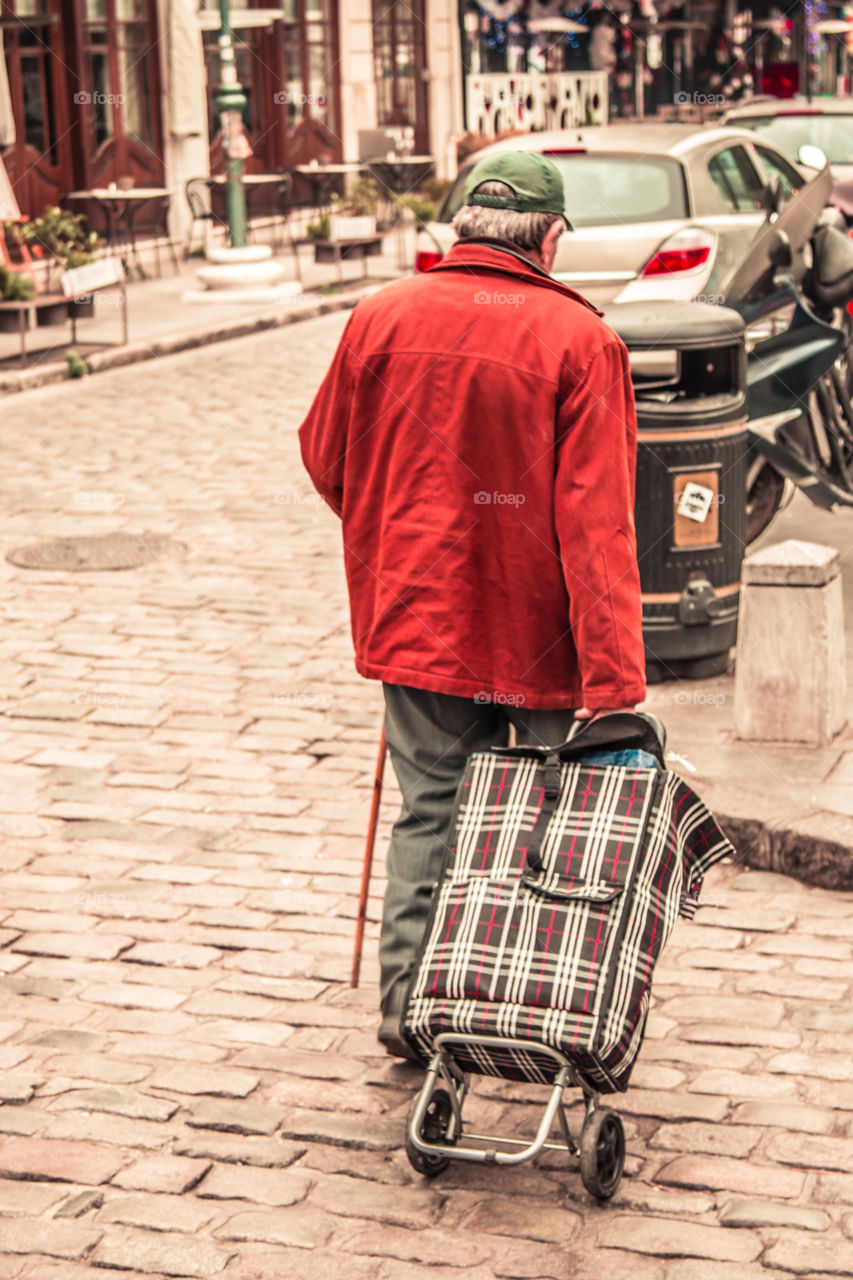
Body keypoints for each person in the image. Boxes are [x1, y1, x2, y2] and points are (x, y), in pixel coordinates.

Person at [299, 150, 646, 1058]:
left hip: (415, 617)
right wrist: (615, 679)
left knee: (428, 810)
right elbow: (598, 524)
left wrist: (397, 539)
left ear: (462, 227)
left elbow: (327, 458)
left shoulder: (378, 317)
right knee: (521, 824)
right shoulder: (582, 342)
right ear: (552, 236)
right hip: (531, 639)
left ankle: (406, 1012)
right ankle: (502, 1005)